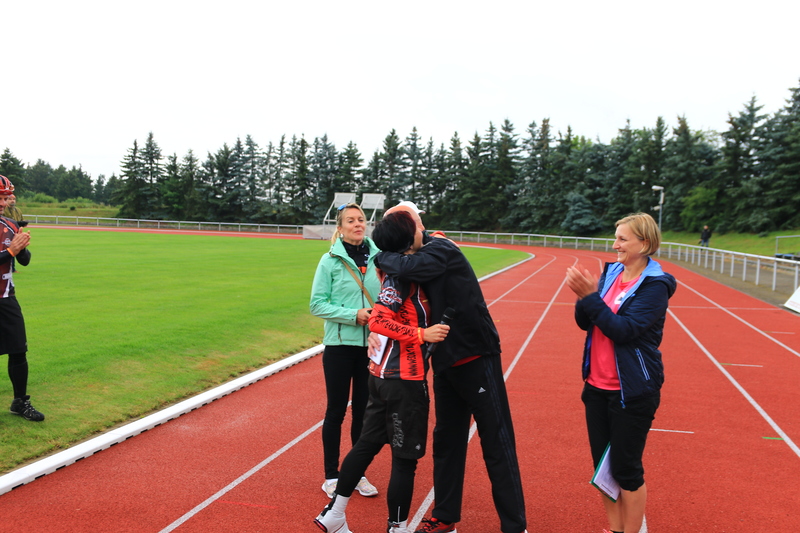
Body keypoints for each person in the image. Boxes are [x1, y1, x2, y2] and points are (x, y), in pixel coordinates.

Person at [373, 202, 528, 533]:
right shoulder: (408, 254)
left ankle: (515, 526)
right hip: (443, 361)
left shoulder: (440, 247)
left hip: (476, 356)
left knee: (496, 442)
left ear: (414, 227)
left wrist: (379, 254)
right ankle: (445, 516)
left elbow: (410, 266)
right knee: (447, 440)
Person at [314, 209, 450, 533]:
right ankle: (397, 528)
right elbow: (378, 320)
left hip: (380, 373)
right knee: (405, 459)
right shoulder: (404, 274)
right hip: (405, 378)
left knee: (366, 444)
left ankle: (334, 515)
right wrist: (422, 334)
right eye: (416, 226)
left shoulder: (392, 266)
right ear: (407, 238)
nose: (422, 231)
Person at [565, 212, 676, 533]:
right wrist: (583, 296)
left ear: (645, 243)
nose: (615, 245)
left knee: (626, 470)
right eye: (615, 238)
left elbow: (623, 330)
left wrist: (590, 296)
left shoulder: (655, 286)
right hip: (596, 387)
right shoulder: (611, 272)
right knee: (603, 469)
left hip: (633, 391)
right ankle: (615, 529)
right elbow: (585, 321)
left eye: (623, 239)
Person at [310, 202, 380, 500]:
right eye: (350, 220)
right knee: (336, 412)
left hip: (372, 348)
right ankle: (331, 476)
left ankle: (357, 473)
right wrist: (354, 315)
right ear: (340, 228)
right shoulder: (329, 261)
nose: (357, 224)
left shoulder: (380, 258)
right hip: (339, 347)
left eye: (361, 219)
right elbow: (317, 304)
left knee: (364, 414)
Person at [0, 176, 44, 422]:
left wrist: (21, 245)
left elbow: (24, 261)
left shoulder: (9, 224)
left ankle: (20, 402)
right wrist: (10, 250)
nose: (3, 203)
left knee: (18, 350)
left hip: (6, 298)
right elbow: (10, 253)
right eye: (0, 197)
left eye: (5, 198)